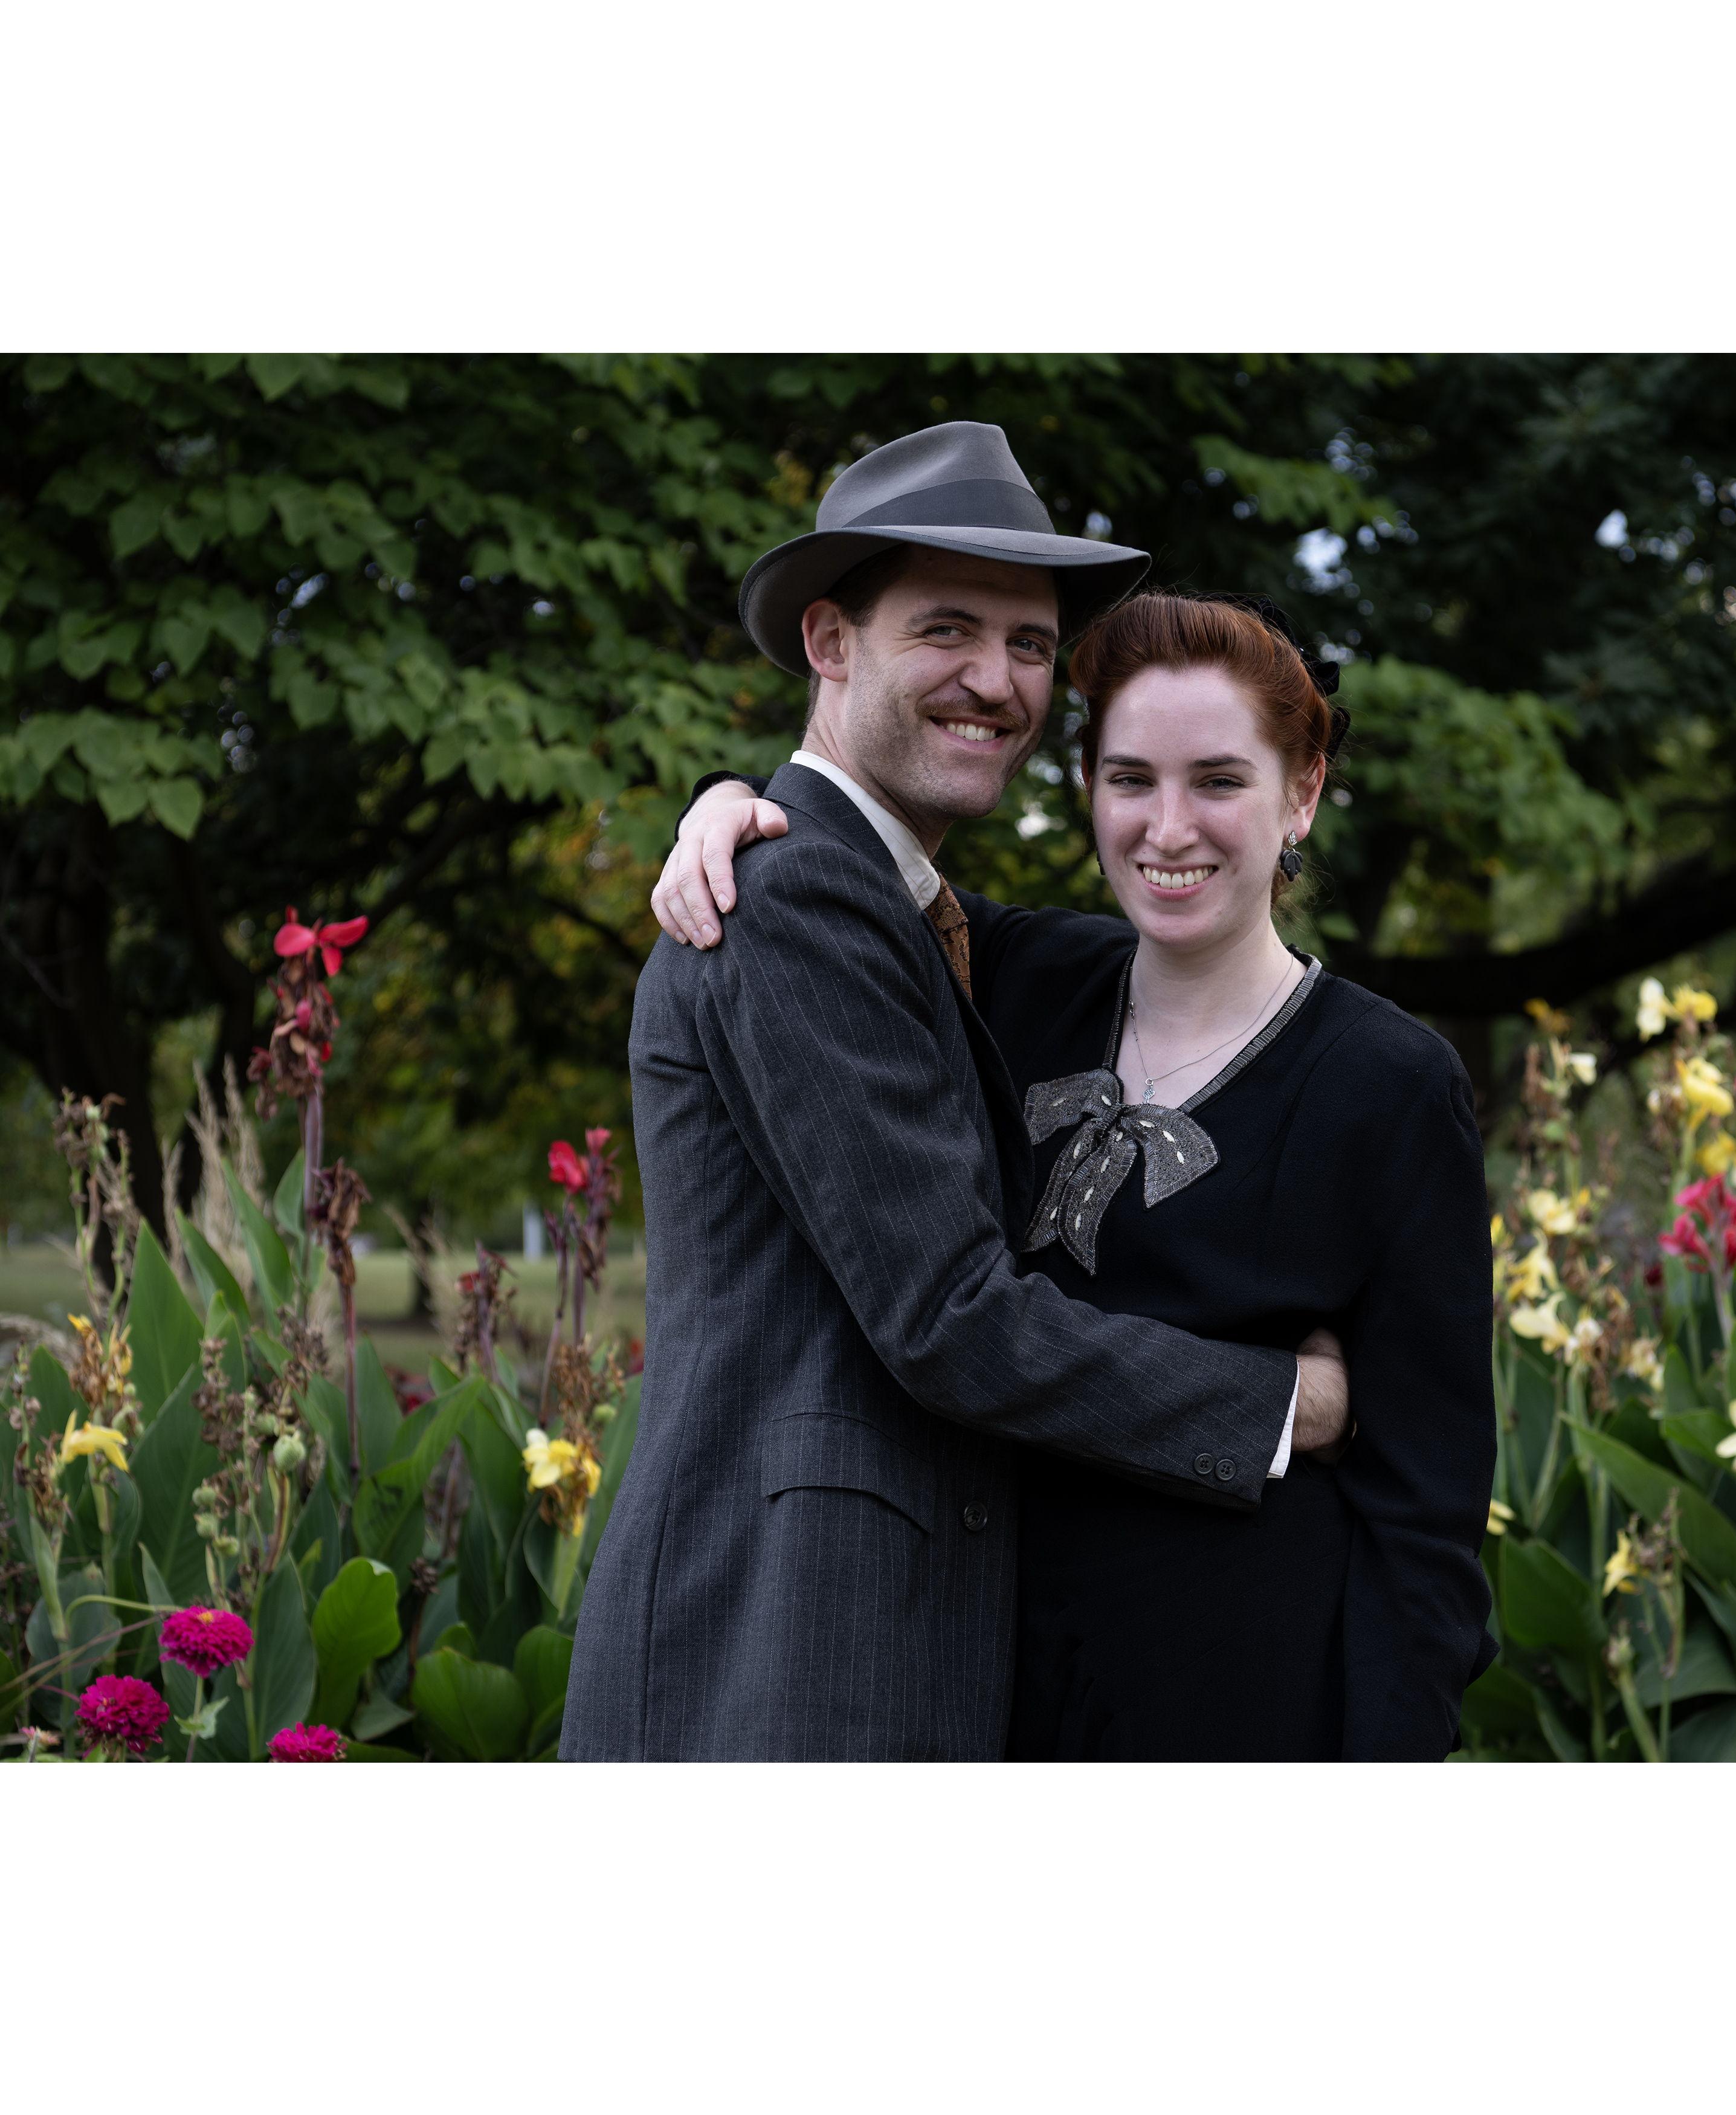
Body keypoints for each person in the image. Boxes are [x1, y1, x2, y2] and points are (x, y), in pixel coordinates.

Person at [561, 423, 1349, 1763]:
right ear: (829, 641)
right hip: (782, 1662)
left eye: (1030, 643)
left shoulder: (895, 908)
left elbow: (1172, 945)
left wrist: (727, 796)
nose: (996, 680)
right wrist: (1286, 1402)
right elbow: (948, 1318)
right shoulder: (795, 900)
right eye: (946, 630)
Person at [664, 587, 1496, 1759]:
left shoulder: (1393, 1085)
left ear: (1302, 792)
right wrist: (726, 804)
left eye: (1219, 781)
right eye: (1129, 780)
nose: (1169, 828)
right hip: (981, 1694)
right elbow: (842, 863)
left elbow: (1427, 1520)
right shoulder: (1013, 978)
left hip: (1245, 1711)